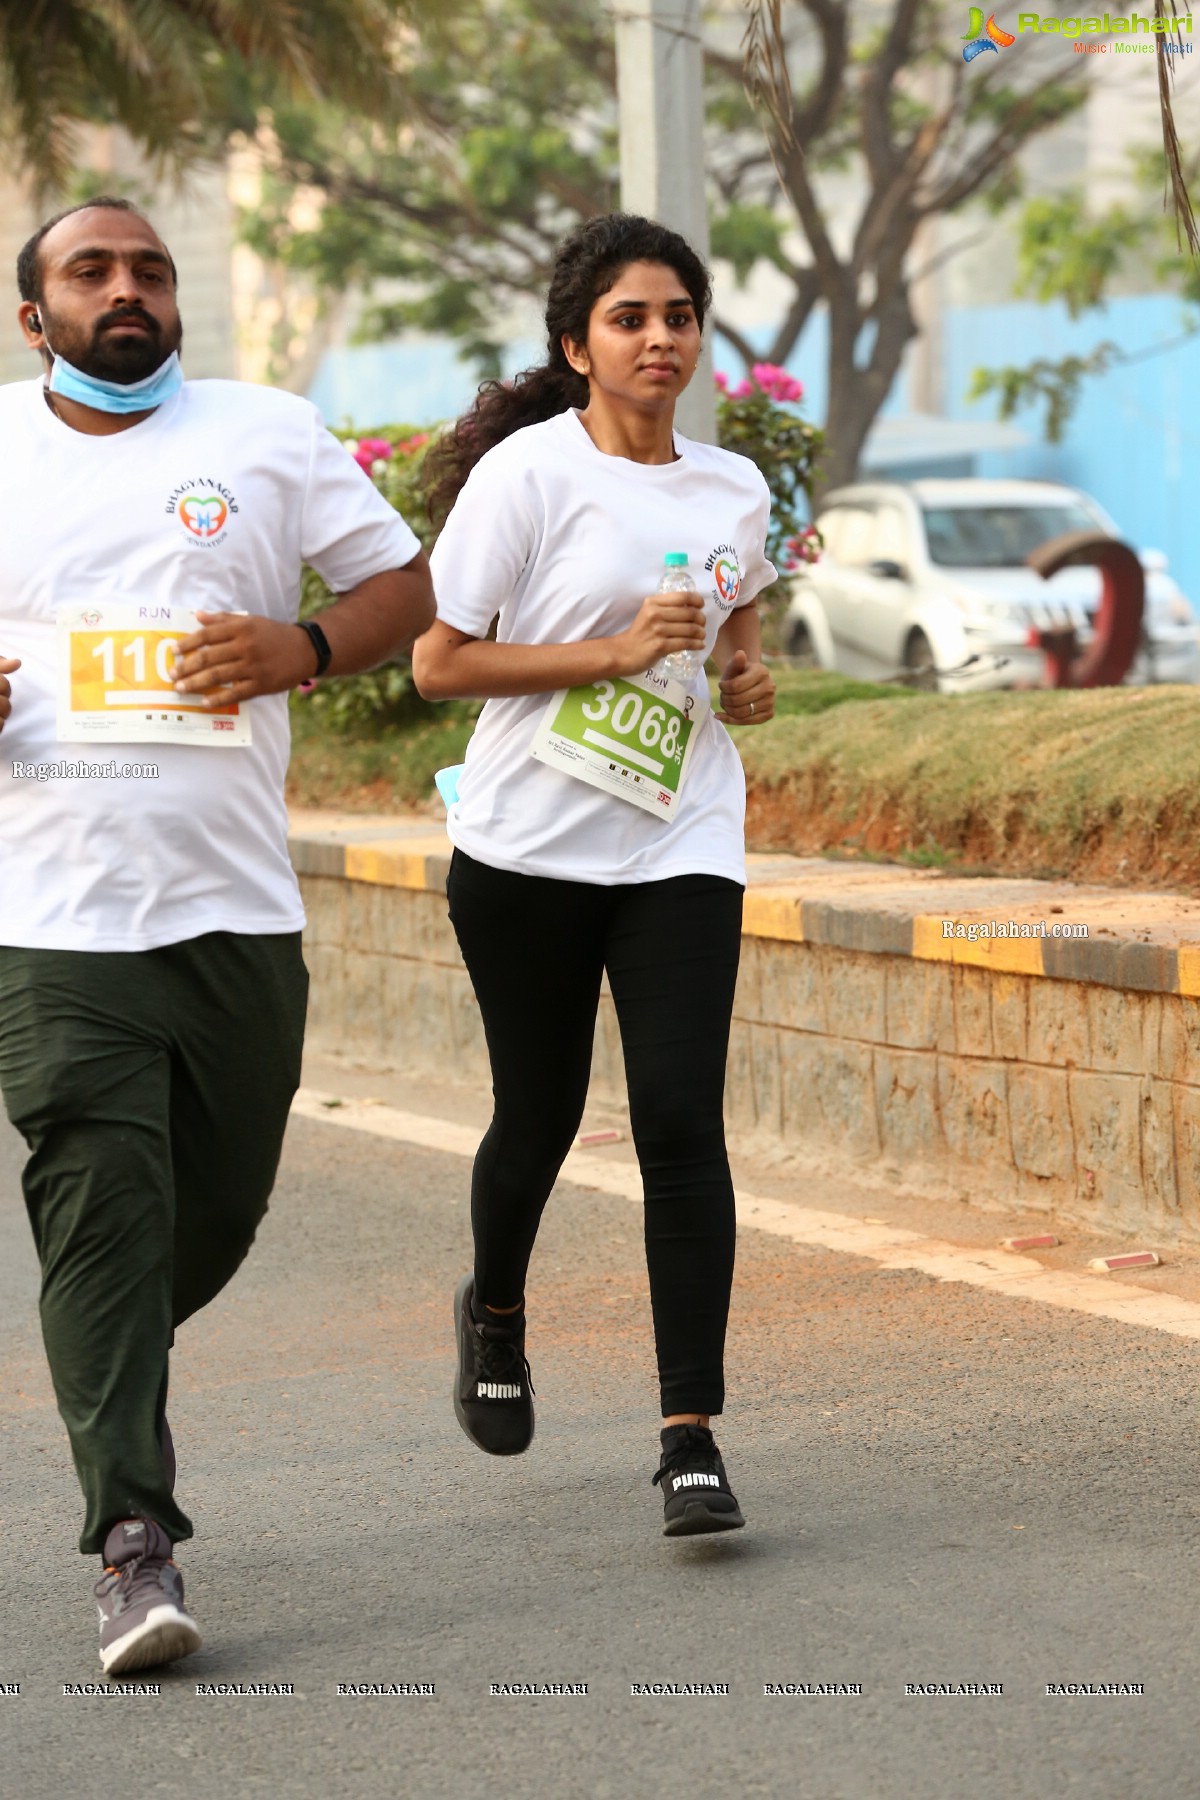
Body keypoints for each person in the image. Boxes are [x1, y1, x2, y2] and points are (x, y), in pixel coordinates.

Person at [0, 197, 434, 1674]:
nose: (128, 290)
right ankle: (134, 1542)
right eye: (91, 270)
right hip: (50, 917)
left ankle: (100, 1343)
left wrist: (302, 648)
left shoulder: (265, 432)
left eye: (151, 271)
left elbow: (406, 589)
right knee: (98, 1183)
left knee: (213, 1214)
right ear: (31, 312)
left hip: (237, 909)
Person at [413, 212, 777, 1537]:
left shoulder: (736, 488)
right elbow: (439, 664)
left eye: (678, 315)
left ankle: (690, 1436)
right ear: (578, 344)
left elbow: (739, 624)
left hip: (681, 840)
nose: (659, 338)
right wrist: (611, 654)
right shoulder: (528, 477)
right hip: (526, 853)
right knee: (540, 1116)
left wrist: (745, 672)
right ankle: (495, 1306)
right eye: (630, 318)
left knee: (682, 1124)